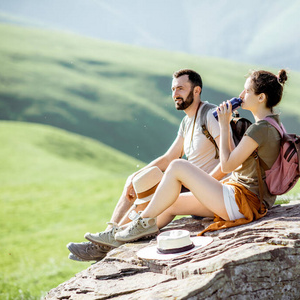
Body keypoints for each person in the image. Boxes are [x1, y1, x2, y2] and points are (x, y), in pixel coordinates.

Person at [110, 69, 288, 243]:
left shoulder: (260, 129)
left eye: (247, 90)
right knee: (169, 202)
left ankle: (141, 223)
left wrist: (225, 125)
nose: (241, 94)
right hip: (242, 197)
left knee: (178, 166)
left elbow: (227, 166)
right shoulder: (272, 124)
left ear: (261, 97)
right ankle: (121, 235)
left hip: (244, 201)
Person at [68, 69, 228, 261]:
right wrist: (134, 177)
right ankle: (108, 235)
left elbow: (230, 161)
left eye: (181, 88)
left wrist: (204, 185)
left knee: (155, 203)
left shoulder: (210, 115)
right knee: (141, 180)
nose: (175, 94)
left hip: (213, 193)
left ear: (196, 91)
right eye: (173, 89)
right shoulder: (187, 122)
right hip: (194, 191)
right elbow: (169, 158)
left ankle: (105, 243)